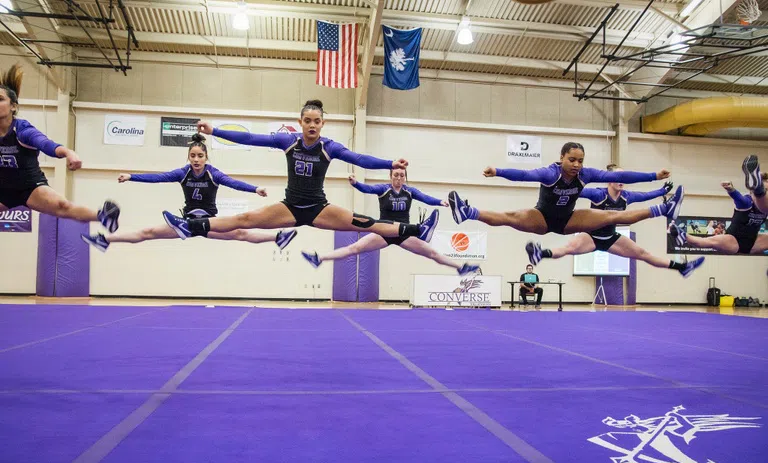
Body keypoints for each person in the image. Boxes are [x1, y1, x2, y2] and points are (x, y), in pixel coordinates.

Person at [161, 99, 439, 244]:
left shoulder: (330, 147)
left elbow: (360, 158)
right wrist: (215, 131)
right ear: (300, 121)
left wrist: (389, 163)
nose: (312, 125)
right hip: (290, 206)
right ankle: (190, 226)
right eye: (307, 121)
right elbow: (251, 138)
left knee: (367, 223)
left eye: (317, 121)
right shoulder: (288, 141)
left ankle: (418, 230)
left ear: (323, 123)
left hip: (319, 207)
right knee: (244, 218)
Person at [80, 134, 296, 252]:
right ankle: (105, 240)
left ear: (205, 157)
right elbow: (159, 177)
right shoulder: (183, 173)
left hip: (210, 223)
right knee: (148, 232)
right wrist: (132, 176)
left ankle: (277, 237)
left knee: (241, 234)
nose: (195, 159)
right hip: (186, 223)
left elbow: (232, 182)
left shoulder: (213, 174)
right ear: (188, 156)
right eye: (192, 155)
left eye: (200, 156)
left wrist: (255, 189)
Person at [446, 142, 684, 236]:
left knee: (613, 215)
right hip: (542, 219)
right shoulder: (550, 173)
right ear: (562, 158)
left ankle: (664, 209)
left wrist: (653, 176)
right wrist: (497, 171)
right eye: (572, 160)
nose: (576, 165)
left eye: (580, 160)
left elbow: (618, 175)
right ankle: (468, 212)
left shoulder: (586, 174)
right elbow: (524, 176)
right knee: (510, 217)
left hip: (569, 220)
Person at [0, 63, 120, 232]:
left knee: (63, 207)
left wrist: (68, 153)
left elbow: (46, 144)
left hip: (29, 187)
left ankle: (105, 216)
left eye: (0, 99)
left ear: (13, 106)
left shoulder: (22, 130)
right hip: (3, 189)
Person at [528, 166, 705, 277]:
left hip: (611, 238)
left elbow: (645, 195)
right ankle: (540, 253)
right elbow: (576, 191)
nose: (622, 181)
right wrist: (555, 190)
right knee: (568, 248)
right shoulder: (598, 194)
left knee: (643, 253)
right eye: (618, 178)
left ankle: (682, 267)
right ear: (609, 180)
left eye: (624, 179)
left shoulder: (627, 197)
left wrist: (661, 191)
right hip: (591, 236)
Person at [301, 170, 480, 275]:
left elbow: (425, 198)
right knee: (354, 249)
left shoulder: (410, 191)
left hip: (403, 233)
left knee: (432, 253)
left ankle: (460, 268)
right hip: (385, 230)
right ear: (391, 176)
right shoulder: (383, 189)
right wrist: (356, 183)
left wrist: (439, 202)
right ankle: (319, 258)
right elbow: (367, 189)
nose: (398, 178)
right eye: (396, 175)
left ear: (405, 178)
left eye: (402, 176)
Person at [668, 180, 768, 255]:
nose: (765, 194)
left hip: (754, 242)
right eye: (764, 190)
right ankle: (683, 235)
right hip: (733, 241)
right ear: (752, 192)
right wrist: (731, 189)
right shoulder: (747, 203)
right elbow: (739, 199)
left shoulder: (766, 207)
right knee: (705, 242)